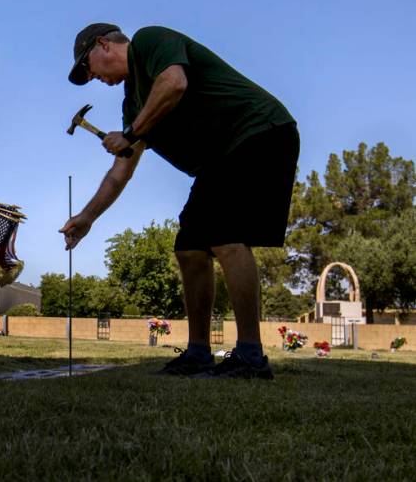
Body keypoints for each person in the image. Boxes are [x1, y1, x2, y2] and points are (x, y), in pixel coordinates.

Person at [59, 24, 298, 379]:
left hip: (257, 130)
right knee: (189, 248)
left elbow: (175, 83)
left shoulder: (150, 41)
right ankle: (199, 352)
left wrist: (130, 133)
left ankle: (251, 353)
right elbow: (121, 169)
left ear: (103, 44)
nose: (93, 77)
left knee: (227, 236)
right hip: (219, 158)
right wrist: (87, 217)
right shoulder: (135, 102)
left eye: (88, 67)